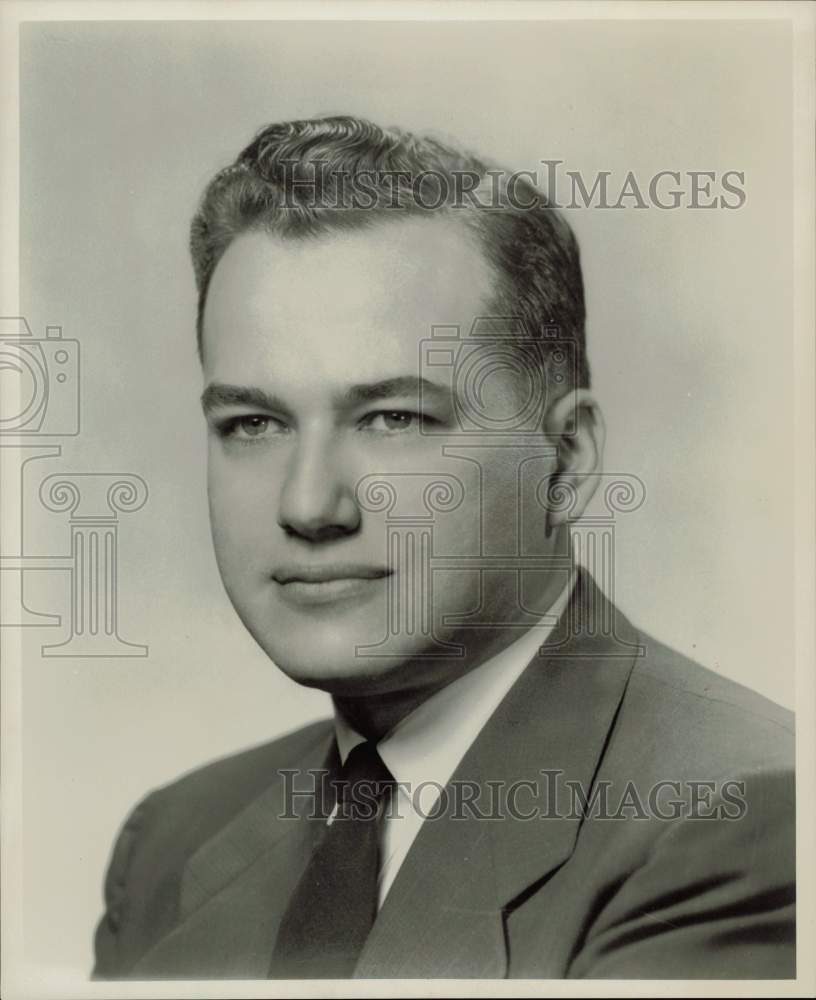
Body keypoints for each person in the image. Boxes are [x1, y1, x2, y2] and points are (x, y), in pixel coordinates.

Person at [92, 116, 795, 980]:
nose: (310, 505)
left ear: (565, 462)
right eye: (255, 423)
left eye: (395, 419)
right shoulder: (170, 843)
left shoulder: (746, 817)